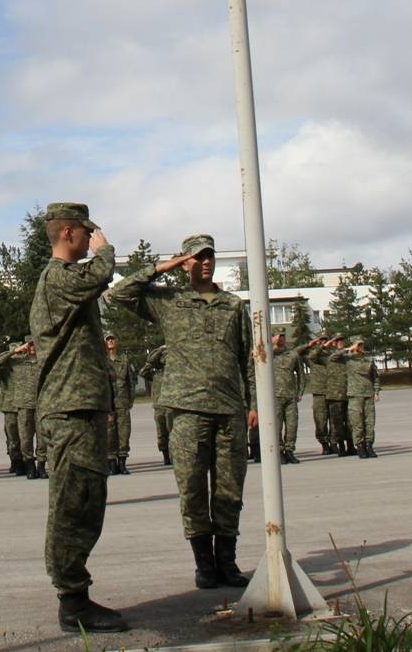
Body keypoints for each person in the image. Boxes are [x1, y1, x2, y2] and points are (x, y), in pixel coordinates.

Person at [110, 233, 257, 592]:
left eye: (210, 256)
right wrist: (165, 266)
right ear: (186, 262)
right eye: (197, 257)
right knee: (191, 487)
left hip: (228, 408)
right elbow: (119, 293)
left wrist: (252, 405)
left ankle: (227, 561)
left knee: (229, 490)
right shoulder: (169, 301)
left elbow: (246, 359)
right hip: (185, 407)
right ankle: (204, 565)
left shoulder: (233, 306)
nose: (205, 262)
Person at [29, 202, 126, 633]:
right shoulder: (59, 279)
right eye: (87, 234)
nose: (92, 240)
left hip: (79, 407)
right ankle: (73, 601)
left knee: (86, 500)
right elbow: (98, 275)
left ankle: (75, 595)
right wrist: (108, 251)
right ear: (68, 233)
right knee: (74, 503)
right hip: (68, 410)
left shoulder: (66, 282)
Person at [309, 335, 352, 456]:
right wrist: (321, 347)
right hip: (321, 391)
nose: (325, 342)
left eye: (326, 340)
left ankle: (335, 443)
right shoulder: (318, 355)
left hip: (335, 391)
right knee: (321, 421)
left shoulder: (338, 355)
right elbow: (311, 357)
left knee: (335, 421)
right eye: (322, 340)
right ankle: (325, 444)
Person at [0, 341, 25, 475]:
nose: (19, 354)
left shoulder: (28, 363)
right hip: (10, 405)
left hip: (27, 404)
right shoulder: (4, 366)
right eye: (16, 352)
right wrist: (11, 353)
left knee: (26, 436)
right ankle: (16, 461)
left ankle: (27, 461)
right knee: (12, 436)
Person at [337, 338, 381, 458]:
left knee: (370, 422)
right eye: (358, 344)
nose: (360, 347)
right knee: (357, 423)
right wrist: (348, 349)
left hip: (368, 394)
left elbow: (375, 377)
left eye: (361, 344)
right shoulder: (348, 359)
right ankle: (360, 446)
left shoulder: (368, 359)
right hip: (354, 395)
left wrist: (376, 391)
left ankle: (369, 445)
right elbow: (333, 358)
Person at [11, 340, 46, 479]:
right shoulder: (17, 362)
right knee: (25, 439)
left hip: (42, 404)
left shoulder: (44, 361)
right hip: (24, 405)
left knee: (43, 438)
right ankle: (30, 466)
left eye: (35, 344)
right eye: (30, 344)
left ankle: (42, 466)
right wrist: (15, 351)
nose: (33, 347)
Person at [103, 333, 136, 475]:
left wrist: (130, 401)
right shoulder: (102, 361)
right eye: (108, 339)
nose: (110, 341)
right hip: (108, 404)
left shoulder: (124, 360)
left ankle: (122, 463)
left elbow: (131, 382)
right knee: (109, 435)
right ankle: (111, 463)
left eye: (112, 338)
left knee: (124, 433)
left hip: (122, 403)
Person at [270, 333, 304, 464]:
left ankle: (289, 450)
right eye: (277, 336)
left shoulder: (293, 354)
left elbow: (301, 374)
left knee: (292, 425)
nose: (280, 339)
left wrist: (300, 391)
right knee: (276, 426)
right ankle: (279, 451)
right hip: (275, 396)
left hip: (290, 396)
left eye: (282, 336)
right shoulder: (269, 354)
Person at [139, 344, 173, 465]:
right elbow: (143, 371)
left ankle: (173, 456)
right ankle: (165, 456)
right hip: (159, 406)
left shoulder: (172, 372)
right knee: (161, 433)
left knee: (173, 432)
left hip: (171, 406)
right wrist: (160, 350)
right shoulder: (155, 373)